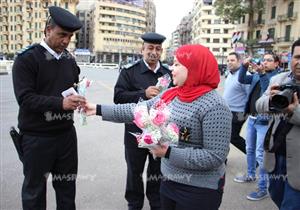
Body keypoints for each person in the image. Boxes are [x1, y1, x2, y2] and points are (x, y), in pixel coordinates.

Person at [85, 44, 232, 210]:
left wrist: (168, 152)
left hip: (199, 189)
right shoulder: (172, 94)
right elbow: (137, 110)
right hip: (169, 180)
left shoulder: (215, 106)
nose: (171, 68)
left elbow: (214, 156)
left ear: (193, 67)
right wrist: (97, 109)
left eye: (177, 64)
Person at [12, 6, 85, 210]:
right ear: (47, 30)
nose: (65, 41)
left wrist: (79, 98)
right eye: (62, 35)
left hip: (66, 136)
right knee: (34, 193)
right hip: (37, 138)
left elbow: (73, 87)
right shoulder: (27, 58)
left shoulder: (70, 61)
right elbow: (25, 99)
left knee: (67, 191)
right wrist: (60, 103)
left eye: (69, 36)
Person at [113, 32, 172, 210]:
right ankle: (134, 203)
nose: (154, 52)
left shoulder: (168, 74)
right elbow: (118, 97)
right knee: (134, 172)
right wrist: (143, 94)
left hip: (160, 134)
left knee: (157, 172)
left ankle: (156, 202)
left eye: (158, 49)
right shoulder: (129, 72)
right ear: (142, 50)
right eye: (150, 48)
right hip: (135, 133)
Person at [256, 38, 300, 209]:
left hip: (297, 161)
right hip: (276, 154)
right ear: (290, 58)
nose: (299, 62)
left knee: (291, 204)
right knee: (276, 195)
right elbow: (259, 105)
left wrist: (293, 111)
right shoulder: (280, 79)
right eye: (297, 57)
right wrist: (272, 101)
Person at [234, 52, 280, 201]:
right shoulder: (256, 75)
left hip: (264, 121)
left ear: (276, 64)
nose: (265, 62)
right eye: (263, 60)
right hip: (252, 118)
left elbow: (268, 90)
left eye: (269, 60)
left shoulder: (277, 78)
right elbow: (241, 79)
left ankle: (263, 188)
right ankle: (250, 174)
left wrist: (260, 73)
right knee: (250, 149)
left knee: (261, 154)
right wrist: (244, 65)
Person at [223, 52, 250, 154]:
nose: (229, 63)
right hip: (228, 111)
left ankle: (254, 156)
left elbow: (250, 95)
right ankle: (223, 159)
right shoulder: (230, 74)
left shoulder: (245, 76)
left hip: (239, 112)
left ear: (239, 61)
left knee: (233, 137)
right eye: (228, 60)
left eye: (232, 60)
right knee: (224, 136)